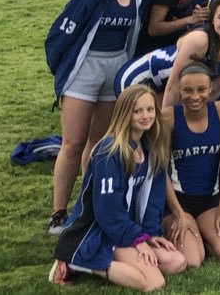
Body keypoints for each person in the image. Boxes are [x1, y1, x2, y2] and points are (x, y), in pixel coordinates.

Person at [46, 0, 152, 234]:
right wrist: (63, 71)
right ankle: (58, 213)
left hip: (116, 66)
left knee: (100, 141)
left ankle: (90, 204)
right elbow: (61, 32)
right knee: (73, 142)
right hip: (86, 67)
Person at [49, 85, 186, 290]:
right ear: (124, 114)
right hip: (101, 230)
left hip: (129, 229)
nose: (145, 116)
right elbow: (108, 212)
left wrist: (149, 235)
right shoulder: (109, 151)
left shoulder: (151, 146)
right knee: (154, 283)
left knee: (177, 262)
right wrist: (137, 241)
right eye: (137, 111)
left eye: (150, 109)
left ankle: (115, 258)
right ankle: (81, 262)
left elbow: (153, 200)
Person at [160, 64, 220, 265]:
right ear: (179, 90)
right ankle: (188, 232)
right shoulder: (168, 117)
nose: (195, 96)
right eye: (187, 90)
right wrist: (179, 214)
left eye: (201, 89)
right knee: (193, 260)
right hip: (178, 202)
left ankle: (202, 233)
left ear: (211, 88)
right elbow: (160, 170)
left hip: (209, 201)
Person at [118, 0, 220, 109]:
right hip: (141, 78)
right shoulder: (199, 40)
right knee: (149, 130)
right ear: (212, 20)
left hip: (171, 87)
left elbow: (217, 86)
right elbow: (174, 86)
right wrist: (167, 125)